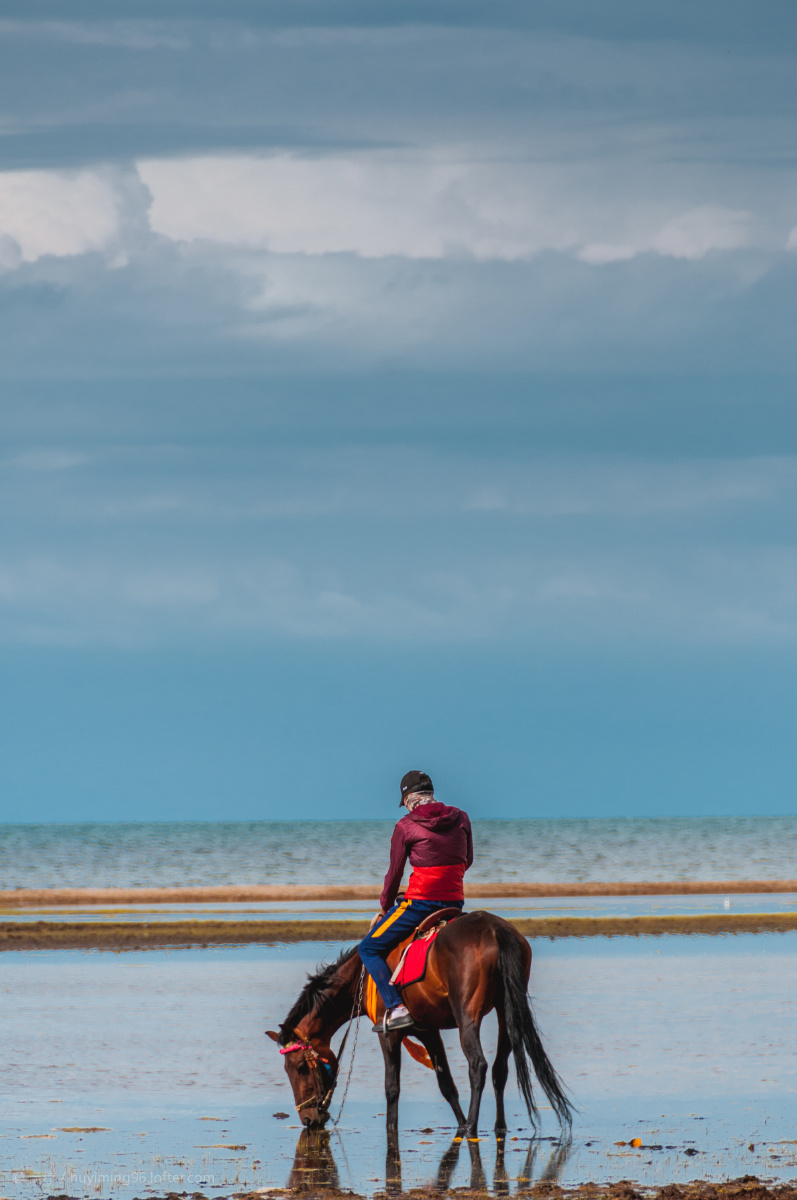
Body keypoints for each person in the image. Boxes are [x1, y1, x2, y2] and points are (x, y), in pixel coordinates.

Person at [358, 769, 473, 1033]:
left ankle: (397, 1007)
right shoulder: (462, 817)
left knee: (368, 948)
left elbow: (395, 872)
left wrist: (386, 904)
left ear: (409, 799)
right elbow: (468, 860)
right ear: (431, 794)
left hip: (419, 904)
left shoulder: (405, 826)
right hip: (455, 902)